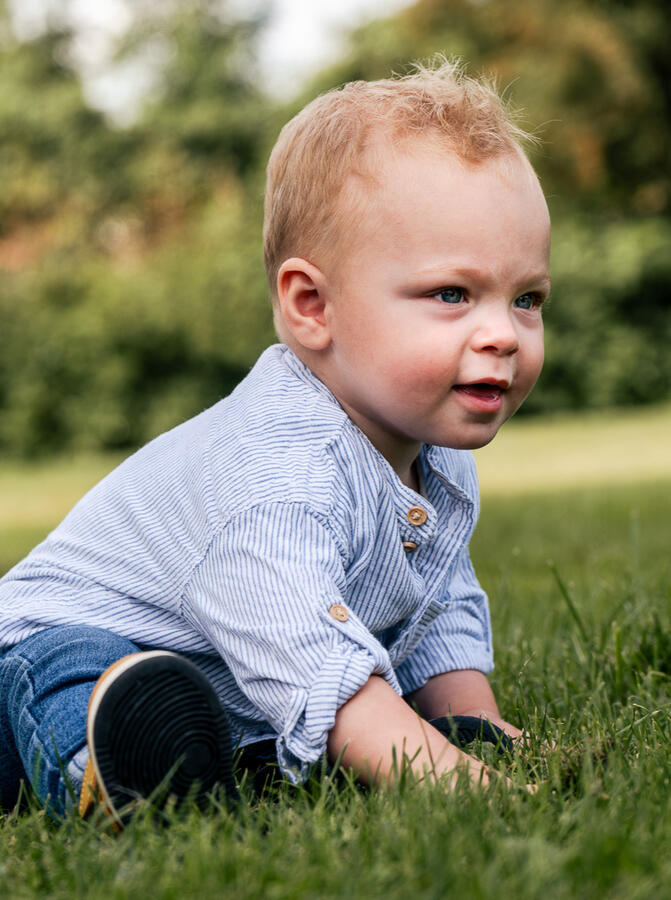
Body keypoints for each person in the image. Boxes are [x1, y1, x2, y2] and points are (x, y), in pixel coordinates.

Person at [0, 58, 551, 825]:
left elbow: (437, 601)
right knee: (89, 678)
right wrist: (453, 780)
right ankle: (115, 778)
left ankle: (198, 755)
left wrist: (474, 725)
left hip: (221, 689)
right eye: (451, 295)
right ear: (311, 306)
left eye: (526, 298)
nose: (502, 334)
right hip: (38, 652)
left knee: (224, 723)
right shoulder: (278, 471)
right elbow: (309, 657)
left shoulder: (435, 453)